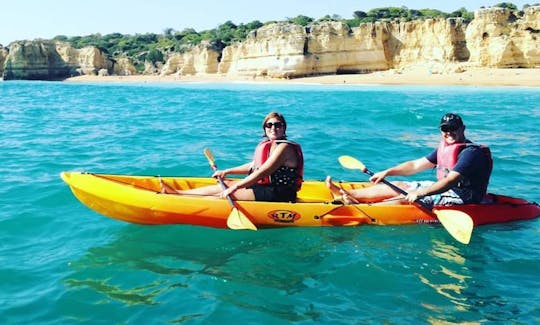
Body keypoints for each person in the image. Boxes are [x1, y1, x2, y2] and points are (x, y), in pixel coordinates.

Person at [326, 113, 493, 206]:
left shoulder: (470, 154)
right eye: (444, 129)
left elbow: (450, 181)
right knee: (400, 185)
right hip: (444, 189)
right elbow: (414, 165)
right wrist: (387, 172)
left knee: (406, 199)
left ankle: (360, 207)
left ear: (462, 128)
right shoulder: (446, 148)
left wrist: (420, 193)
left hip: (462, 197)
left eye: (453, 128)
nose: (448, 132)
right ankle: (347, 194)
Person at [164, 112, 304, 202]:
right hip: (266, 189)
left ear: (284, 128)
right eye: (269, 125)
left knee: (228, 193)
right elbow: (254, 165)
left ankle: (181, 201)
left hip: (280, 194)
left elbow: (263, 171)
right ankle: (179, 193)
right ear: (265, 128)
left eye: (278, 125)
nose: (273, 128)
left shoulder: (285, 148)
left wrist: (235, 188)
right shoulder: (271, 145)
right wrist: (227, 171)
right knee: (226, 184)